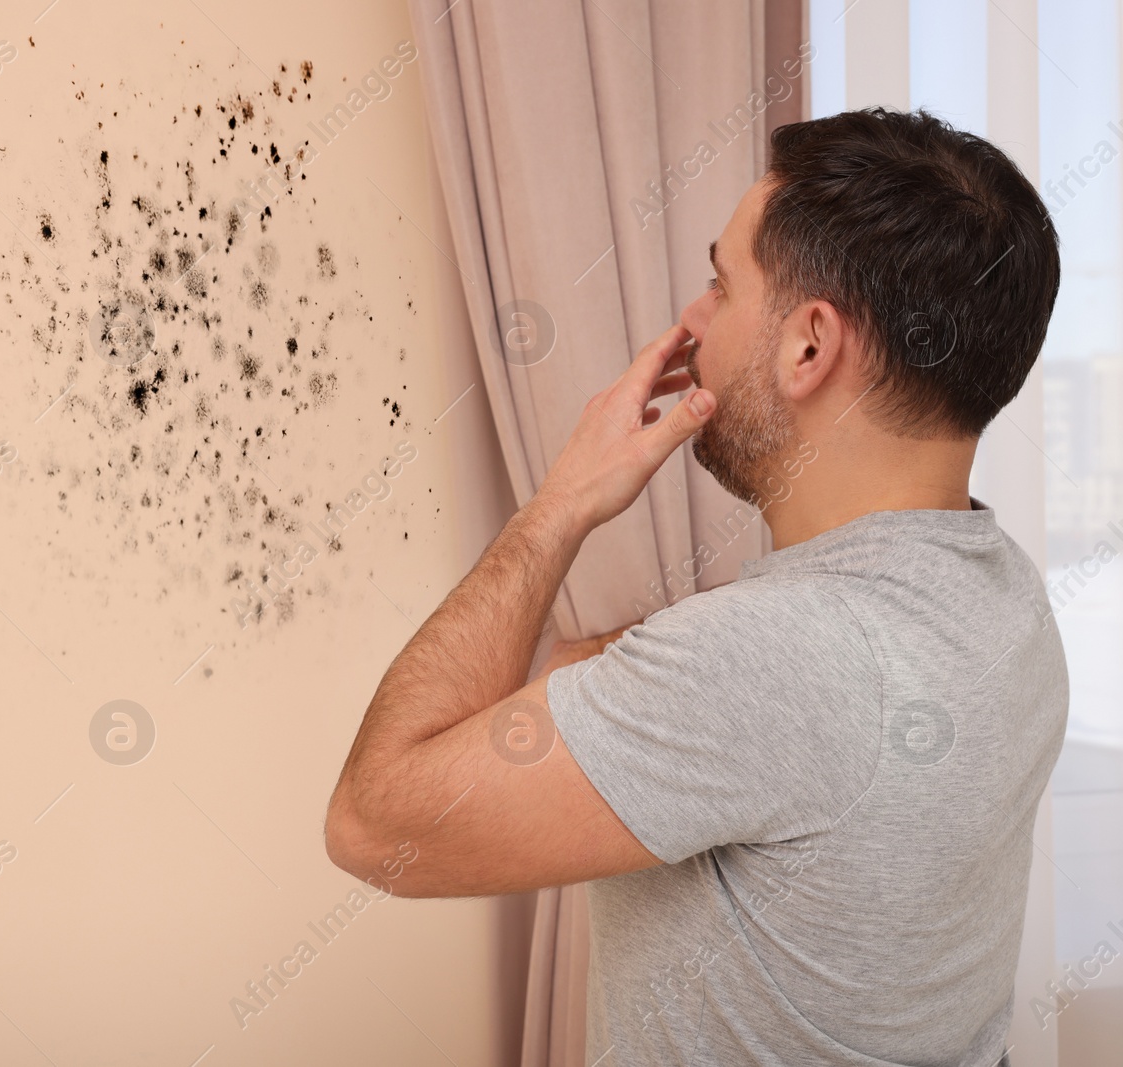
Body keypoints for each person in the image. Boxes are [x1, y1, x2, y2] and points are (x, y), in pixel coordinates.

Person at [323, 107, 1066, 1066]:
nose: (692, 322)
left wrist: (560, 507)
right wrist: (617, 672)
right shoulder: (1008, 599)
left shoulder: (773, 657)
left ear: (809, 347)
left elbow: (373, 820)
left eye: (722, 283)